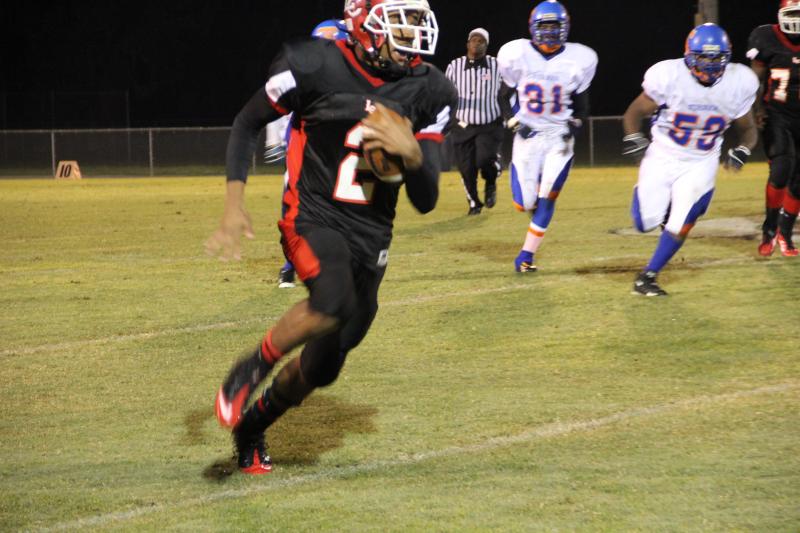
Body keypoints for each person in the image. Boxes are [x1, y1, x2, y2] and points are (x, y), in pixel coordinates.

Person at [205, 0, 456, 474]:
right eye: (400, 24)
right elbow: (247, 122)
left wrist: (414, 157)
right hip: (312, 215)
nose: (412, 37)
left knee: (326, 365)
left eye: (416, 24)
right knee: (333, 297)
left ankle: (253, 426)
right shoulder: (314, 63)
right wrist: (233, 204)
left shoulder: (430, 88)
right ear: (365, 24)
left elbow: (426, 201)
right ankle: (252, 366)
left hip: (372, 232)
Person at [622, 23, 759, 296]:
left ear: (727, 57)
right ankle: (662, 206)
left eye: (716, 58)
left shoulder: (738, 82)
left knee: (683, 219)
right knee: (644, 222)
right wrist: (634, 137)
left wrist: (744, 149)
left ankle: (648, 277)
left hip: (701, 160)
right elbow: (634, 112)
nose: (709, 65)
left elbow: (748, 129)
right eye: (704, 57)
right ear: (689, 56)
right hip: (662, 155)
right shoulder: (669, 76)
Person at [496, 0, 597, 272]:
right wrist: (515, 123)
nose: (551, 32)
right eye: (545, 26)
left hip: (557, 136)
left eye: (556, 26)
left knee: (549, 196)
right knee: (524, 202)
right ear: (533, 27)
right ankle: (535, 207)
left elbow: (582, 106)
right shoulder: (516, 54)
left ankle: (526, 256)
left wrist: (573, 126)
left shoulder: (579, 59)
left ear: (565, 28)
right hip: (527, 136)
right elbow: (503, 97)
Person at [265, 19, 350, 289]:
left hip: (341, 162)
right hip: (304, 161)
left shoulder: (356, 80)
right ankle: (290, 265)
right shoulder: (301, 77)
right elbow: (276, 106)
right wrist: (276, 140)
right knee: (293, 214)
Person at [747, 0, 800, 257]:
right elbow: (754, 79)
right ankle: (769, 228)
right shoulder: (765, 37)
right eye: (793, 13)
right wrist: (756, 109)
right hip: (777, 114)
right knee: (781, 168)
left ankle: (785, 234)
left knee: (799, 182)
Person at [445, 28, 504, 215]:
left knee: (484, 159)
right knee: (466, 168)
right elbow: (446, 94)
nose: (477, 43)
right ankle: (474, 203)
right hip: (462, 125)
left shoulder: (498, 66)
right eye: (473, 40)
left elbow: (509, 90)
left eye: (481, 41)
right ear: (467, 44)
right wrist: (447, 119)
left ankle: (491, 180)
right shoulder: (454, 66)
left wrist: (510, 113)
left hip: (489, 124)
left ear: (487, 45)